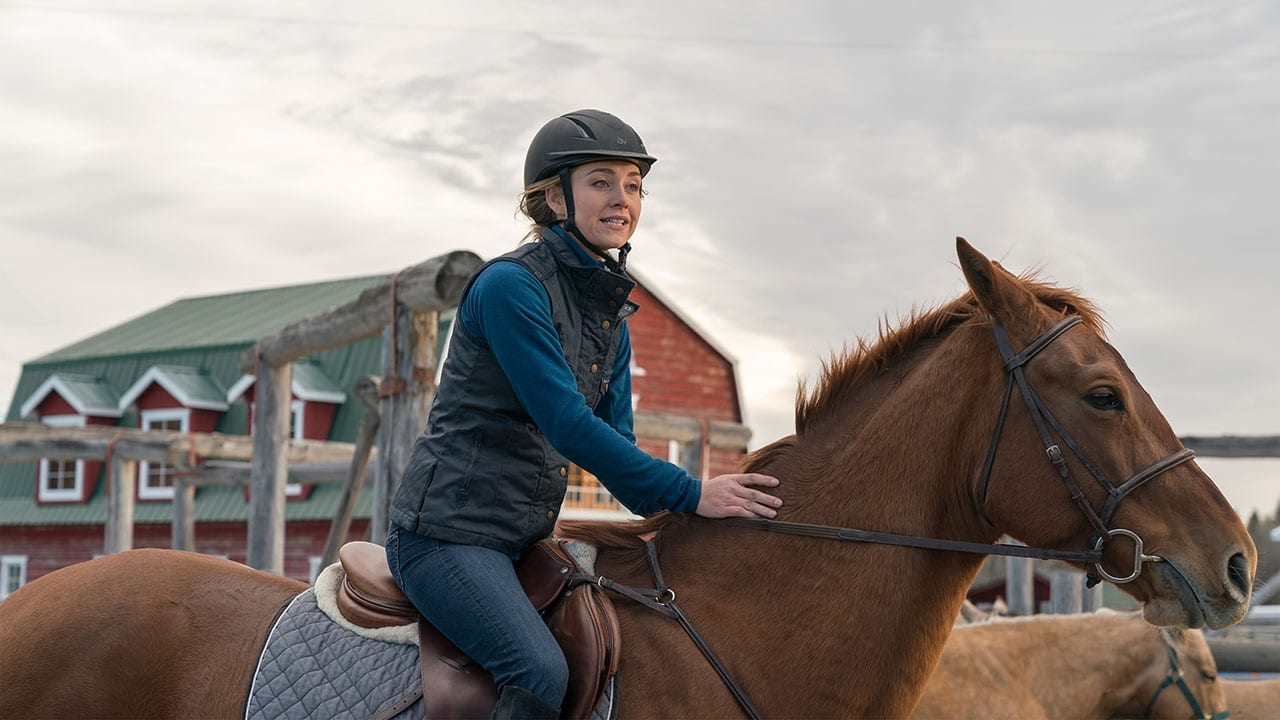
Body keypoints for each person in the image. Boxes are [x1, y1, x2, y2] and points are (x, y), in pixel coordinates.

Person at [385, 109, 783, 720]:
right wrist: (692, 490)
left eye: (633, 184)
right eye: (601, 181)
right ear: (551, 198)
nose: (622, 198)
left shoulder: (609, 320)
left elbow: (616, 450)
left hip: (521, 539)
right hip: (445, 537)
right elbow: (567, 424)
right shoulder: (509, 288)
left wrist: (703, 524)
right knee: (539, 670)